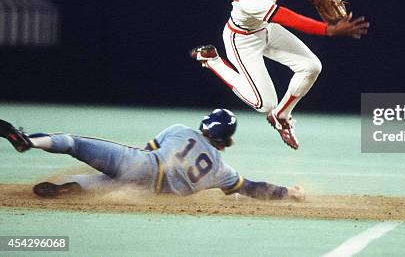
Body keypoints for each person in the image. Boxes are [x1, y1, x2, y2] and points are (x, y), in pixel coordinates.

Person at [191, 0, 369, 150]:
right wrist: (329, 29)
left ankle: (281, 116)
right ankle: (212, 60)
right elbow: (289, 18)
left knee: (311, 67)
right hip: (242, 41)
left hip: (265, 29)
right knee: (264, 103)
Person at [0, 110, 304, 201]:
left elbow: (148, 151)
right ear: (227, 138)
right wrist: (288, 192)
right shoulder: (223, 169)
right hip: (151, 190)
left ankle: (27, 141)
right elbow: (254, 188)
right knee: (110, 184)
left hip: (141, 165)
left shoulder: (181, 129)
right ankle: (72, 188)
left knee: (74, 143)